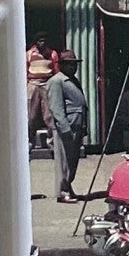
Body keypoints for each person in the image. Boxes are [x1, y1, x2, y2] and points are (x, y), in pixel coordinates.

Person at [43, 50, 90, 202]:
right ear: (62, 65)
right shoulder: (57, 81)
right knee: (64, 161)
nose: (73, 67)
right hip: (67, 126)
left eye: (74, 64)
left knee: (72, 160)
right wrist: (64, 127)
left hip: (77, 124)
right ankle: (63, 191)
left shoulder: (72, 80)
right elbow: (56, 107)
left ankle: (68, 186)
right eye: (69, 64)